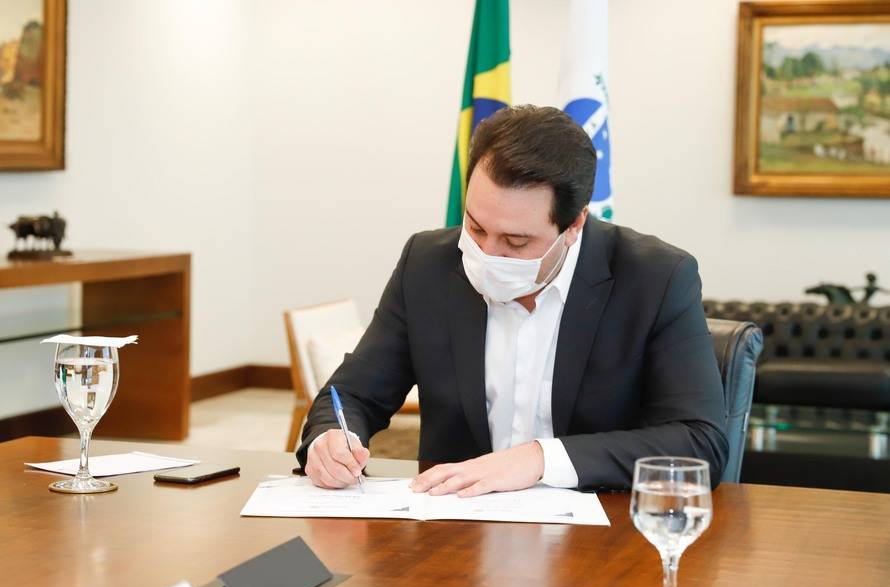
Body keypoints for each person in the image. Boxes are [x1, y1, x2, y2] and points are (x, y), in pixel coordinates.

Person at [297, 104, 728, 497]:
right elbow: (352, 394)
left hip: (598, 532)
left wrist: (539, 458)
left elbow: (700, 442)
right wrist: (330, 439)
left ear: (574, 224)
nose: (487, 254)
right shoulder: (427, 265)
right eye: (476, 227)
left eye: (516, 241)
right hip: (454, 530)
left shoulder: (655, 278)